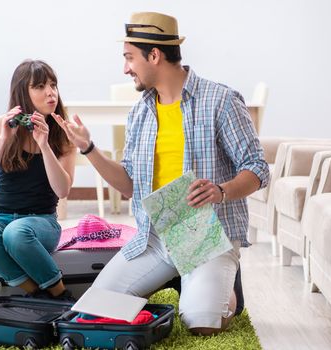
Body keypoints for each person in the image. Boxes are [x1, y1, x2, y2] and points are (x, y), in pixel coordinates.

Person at [53, 12, 269, 334]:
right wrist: (89, 149)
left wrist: (221, 191)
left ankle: (219, 288)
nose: (125, 68)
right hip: (153, 238)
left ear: (154, 56)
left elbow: (257, 168)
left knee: (201, 322)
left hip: (205, 237)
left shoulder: (220, 101)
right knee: (95, 307)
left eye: (129, 58)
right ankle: (183, 281)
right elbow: (129, 184)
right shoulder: (141, 112)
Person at [0, 60, 77, 300]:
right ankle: (36, 293)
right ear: (22, 93)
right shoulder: (1, 124)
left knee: (16, 233)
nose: (51, 93)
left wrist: (45, 145)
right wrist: (3, 140)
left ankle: (61, 295)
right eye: (40, 86)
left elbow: (62, 191)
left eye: (53, 85)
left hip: (41, 221)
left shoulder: (64, 133)